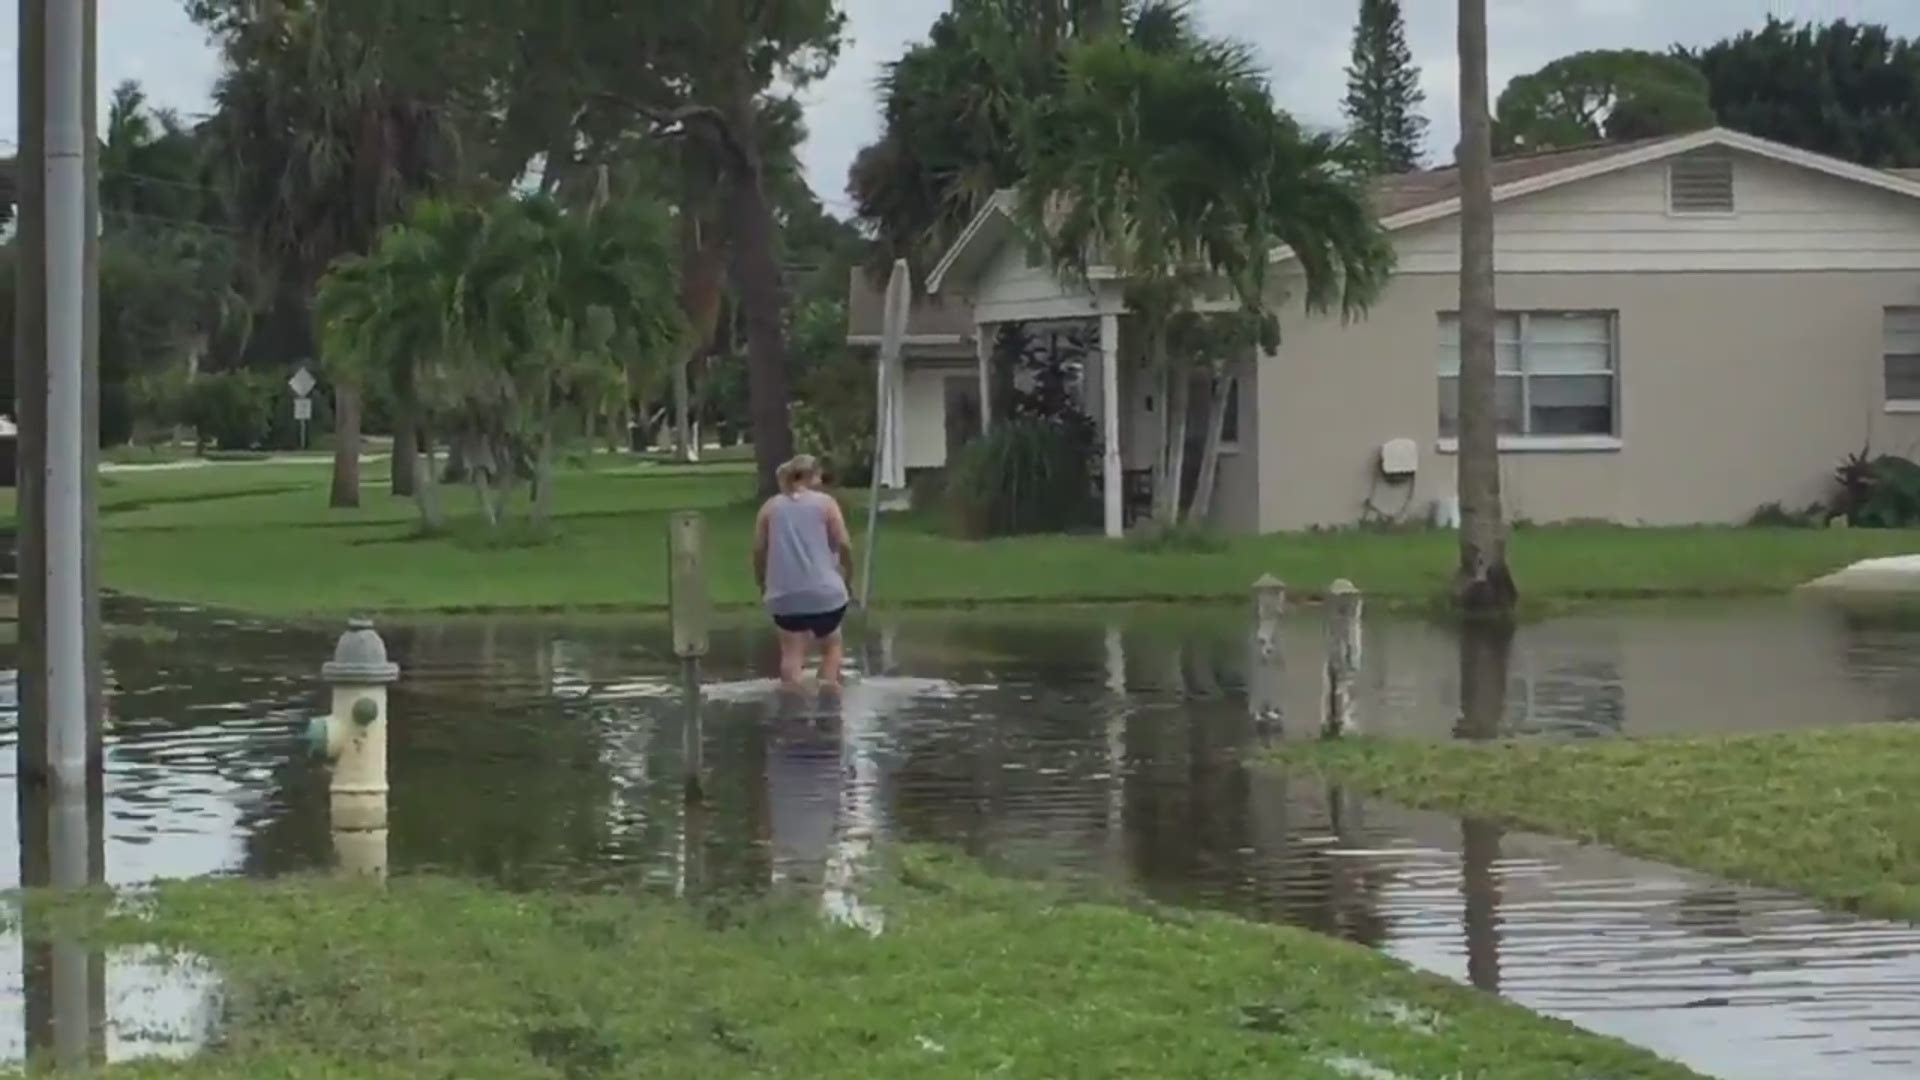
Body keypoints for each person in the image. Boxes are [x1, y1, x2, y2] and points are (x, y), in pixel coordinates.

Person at [754, 455, 854, 692]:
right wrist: (849, 575)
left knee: (791, 652)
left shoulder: (769, 508)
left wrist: (761, 582)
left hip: (783, 596)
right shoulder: (826, 504)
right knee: (831, 646)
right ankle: (828, 696)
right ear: (812, 476)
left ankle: (792, 709)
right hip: (825, 593)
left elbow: (758, 550)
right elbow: (844, 545)